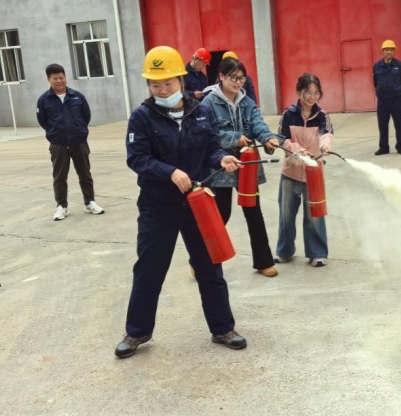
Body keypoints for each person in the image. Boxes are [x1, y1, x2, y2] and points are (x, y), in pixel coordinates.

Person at [116, 45, 246, 359]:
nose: (162, 90)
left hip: (197, 201)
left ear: (180, 79)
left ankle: (223, 328)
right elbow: (137, 159)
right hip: (158, 205)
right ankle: (137, 332)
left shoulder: (200, 111)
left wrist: (222, 158)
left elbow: (212, 147)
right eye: (155, 84)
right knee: (149, 269)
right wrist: (169, 172)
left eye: (168, 83)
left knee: (209, 267)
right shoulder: (142, 117)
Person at [201, 57, 280, 277]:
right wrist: (235, 139)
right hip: (221, 167)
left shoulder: (247, 102)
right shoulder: (208, 103)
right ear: (221, 76)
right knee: (221, 215)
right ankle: (199, 260)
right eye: (233, 78)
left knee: (254, 212)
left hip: (247, 166)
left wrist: (267, 138)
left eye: (242, 79)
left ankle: (263, 262)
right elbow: (207, 133)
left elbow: (257, 124)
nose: (238, 83)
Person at [275, 73, 333, 267]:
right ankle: (284, 251)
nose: (312, 97)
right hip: (290, 172)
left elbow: (326, 134)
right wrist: (296, 149)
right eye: (308, 92)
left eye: (316, 93)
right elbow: (281, 139)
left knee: (314, 214)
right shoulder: (288, 114)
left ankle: (317, 253)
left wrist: (325, 145)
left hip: (313, 173)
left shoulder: (322, 115)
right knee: (286, 214)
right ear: (299, 91)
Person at [36, 64, 104, 221]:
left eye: (61, 77)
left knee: (85, 173)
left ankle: (90, 202)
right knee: (60, 176)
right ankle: (62, 206)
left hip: (78, 142)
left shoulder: (77, 97)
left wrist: (79, 131)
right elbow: (43, 121)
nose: (59, 81)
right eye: (55, 78)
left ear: (65, 77)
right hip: (58, 144)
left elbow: (86, 116)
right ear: (49, 80)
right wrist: (55, 134)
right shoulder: (43, 100)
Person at [373, 39, 401, 155]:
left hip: (396, 100)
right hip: (382, 101)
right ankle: (384, 147)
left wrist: (398, 90)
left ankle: (400, 146)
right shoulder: (377, 66)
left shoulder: (400, 66)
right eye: (387, 50)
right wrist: (380, 91)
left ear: (394, 52)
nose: (389, 52)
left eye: (391, 50)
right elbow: (375, 81)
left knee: (399, 124)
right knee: (382, 125)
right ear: (383, 51)